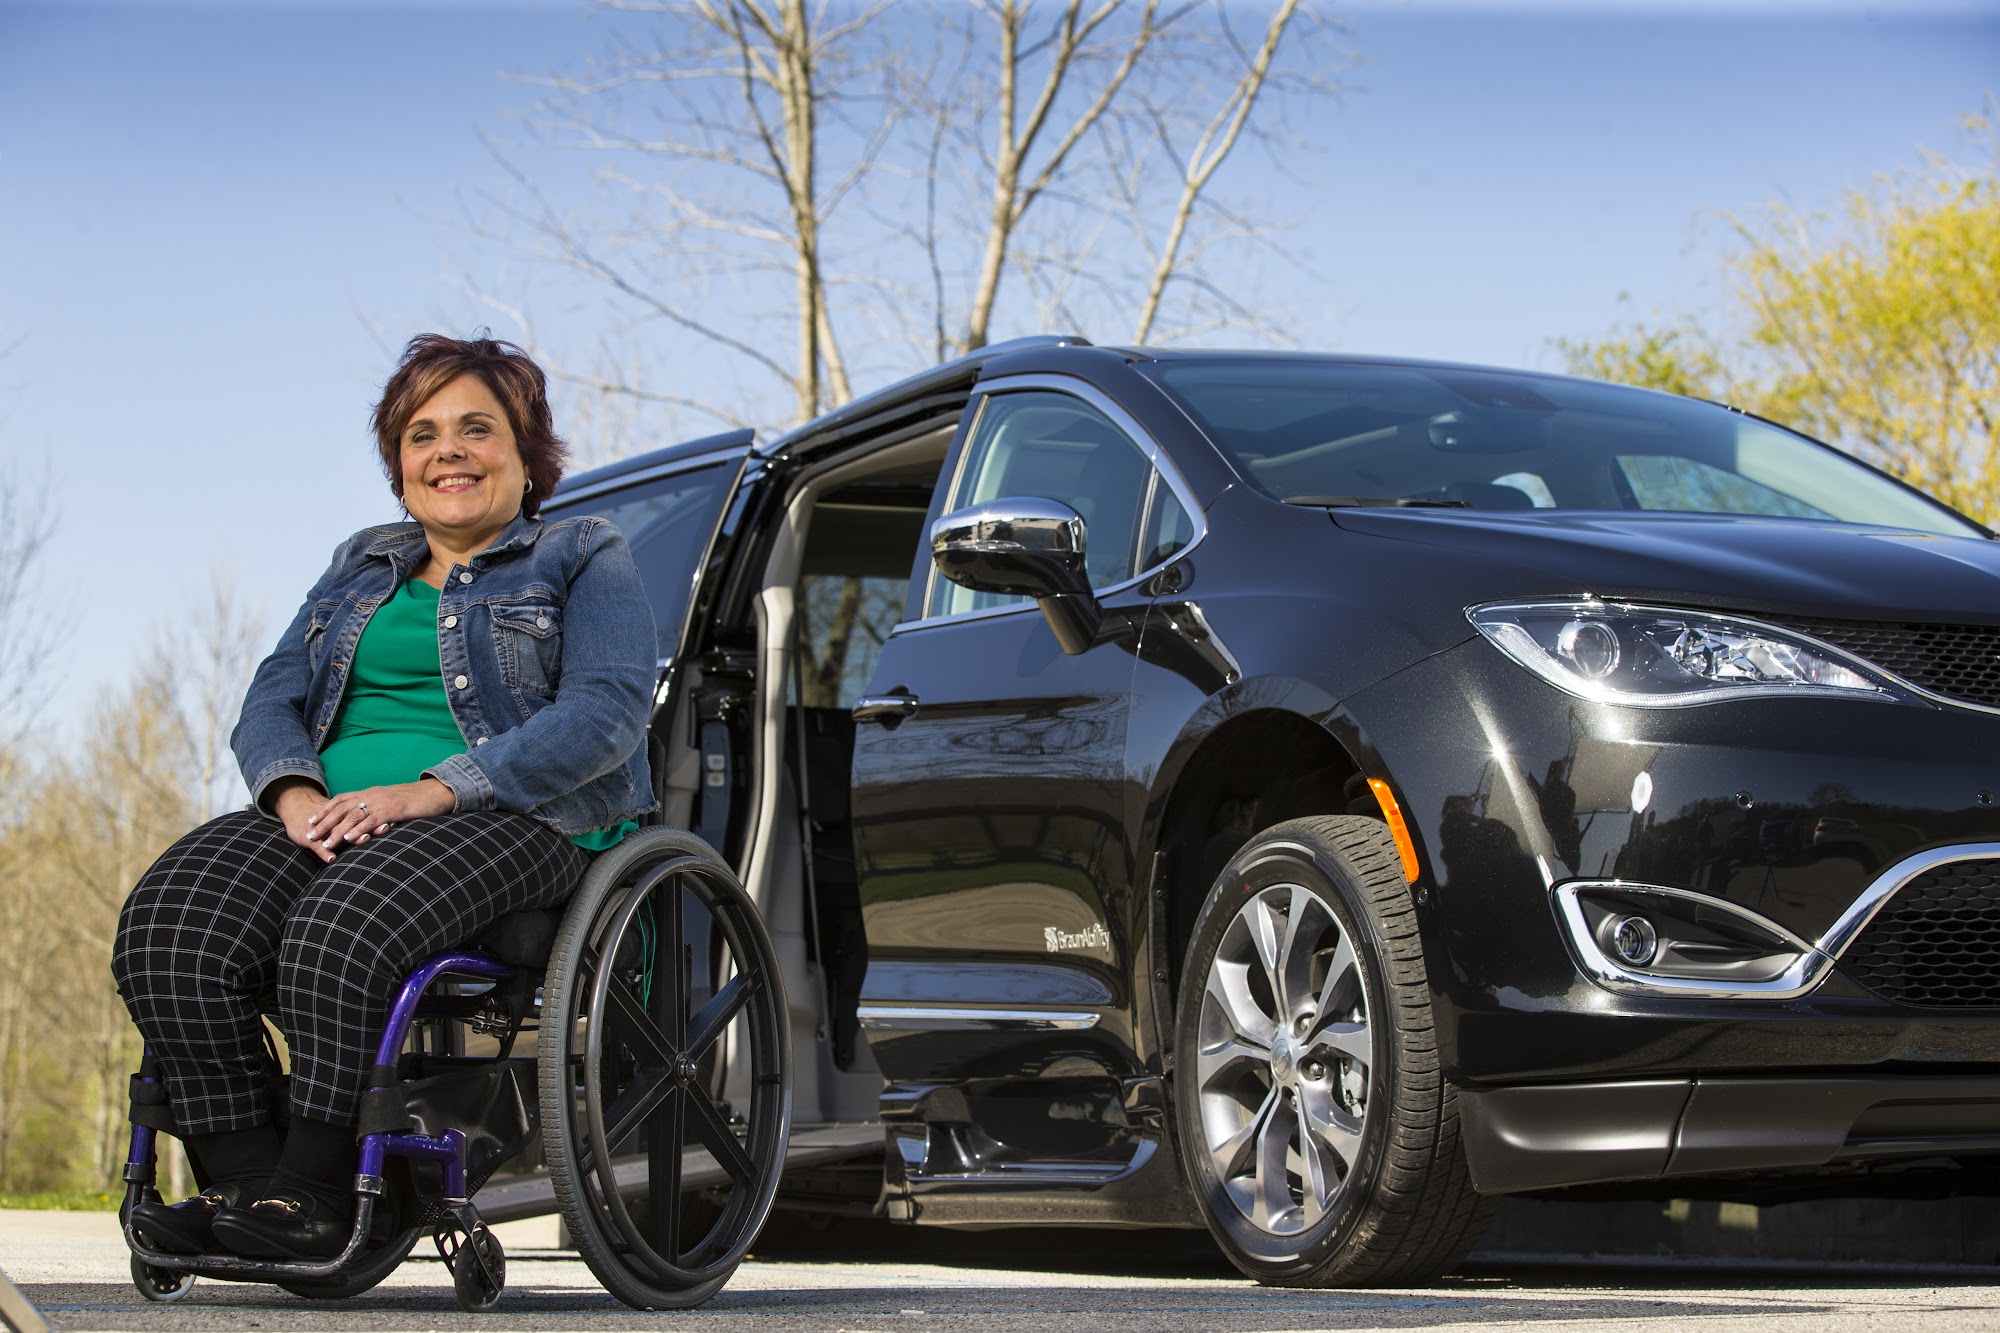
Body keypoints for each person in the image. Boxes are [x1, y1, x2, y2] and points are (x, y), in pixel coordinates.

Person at [112, 334, 657, 1260]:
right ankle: (245, 1184)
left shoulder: (580, 552)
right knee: (170, 931)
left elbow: (605, 714)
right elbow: (271, 698)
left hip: (514, 815)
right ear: (399, 467)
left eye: (476, 429)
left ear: (526, 453)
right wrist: (293, 793)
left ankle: (319, 1191)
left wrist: (433, 790)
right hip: (334, 810)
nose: (448, 451)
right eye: (421, 435)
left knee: (342, 925)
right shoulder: (362, 561)